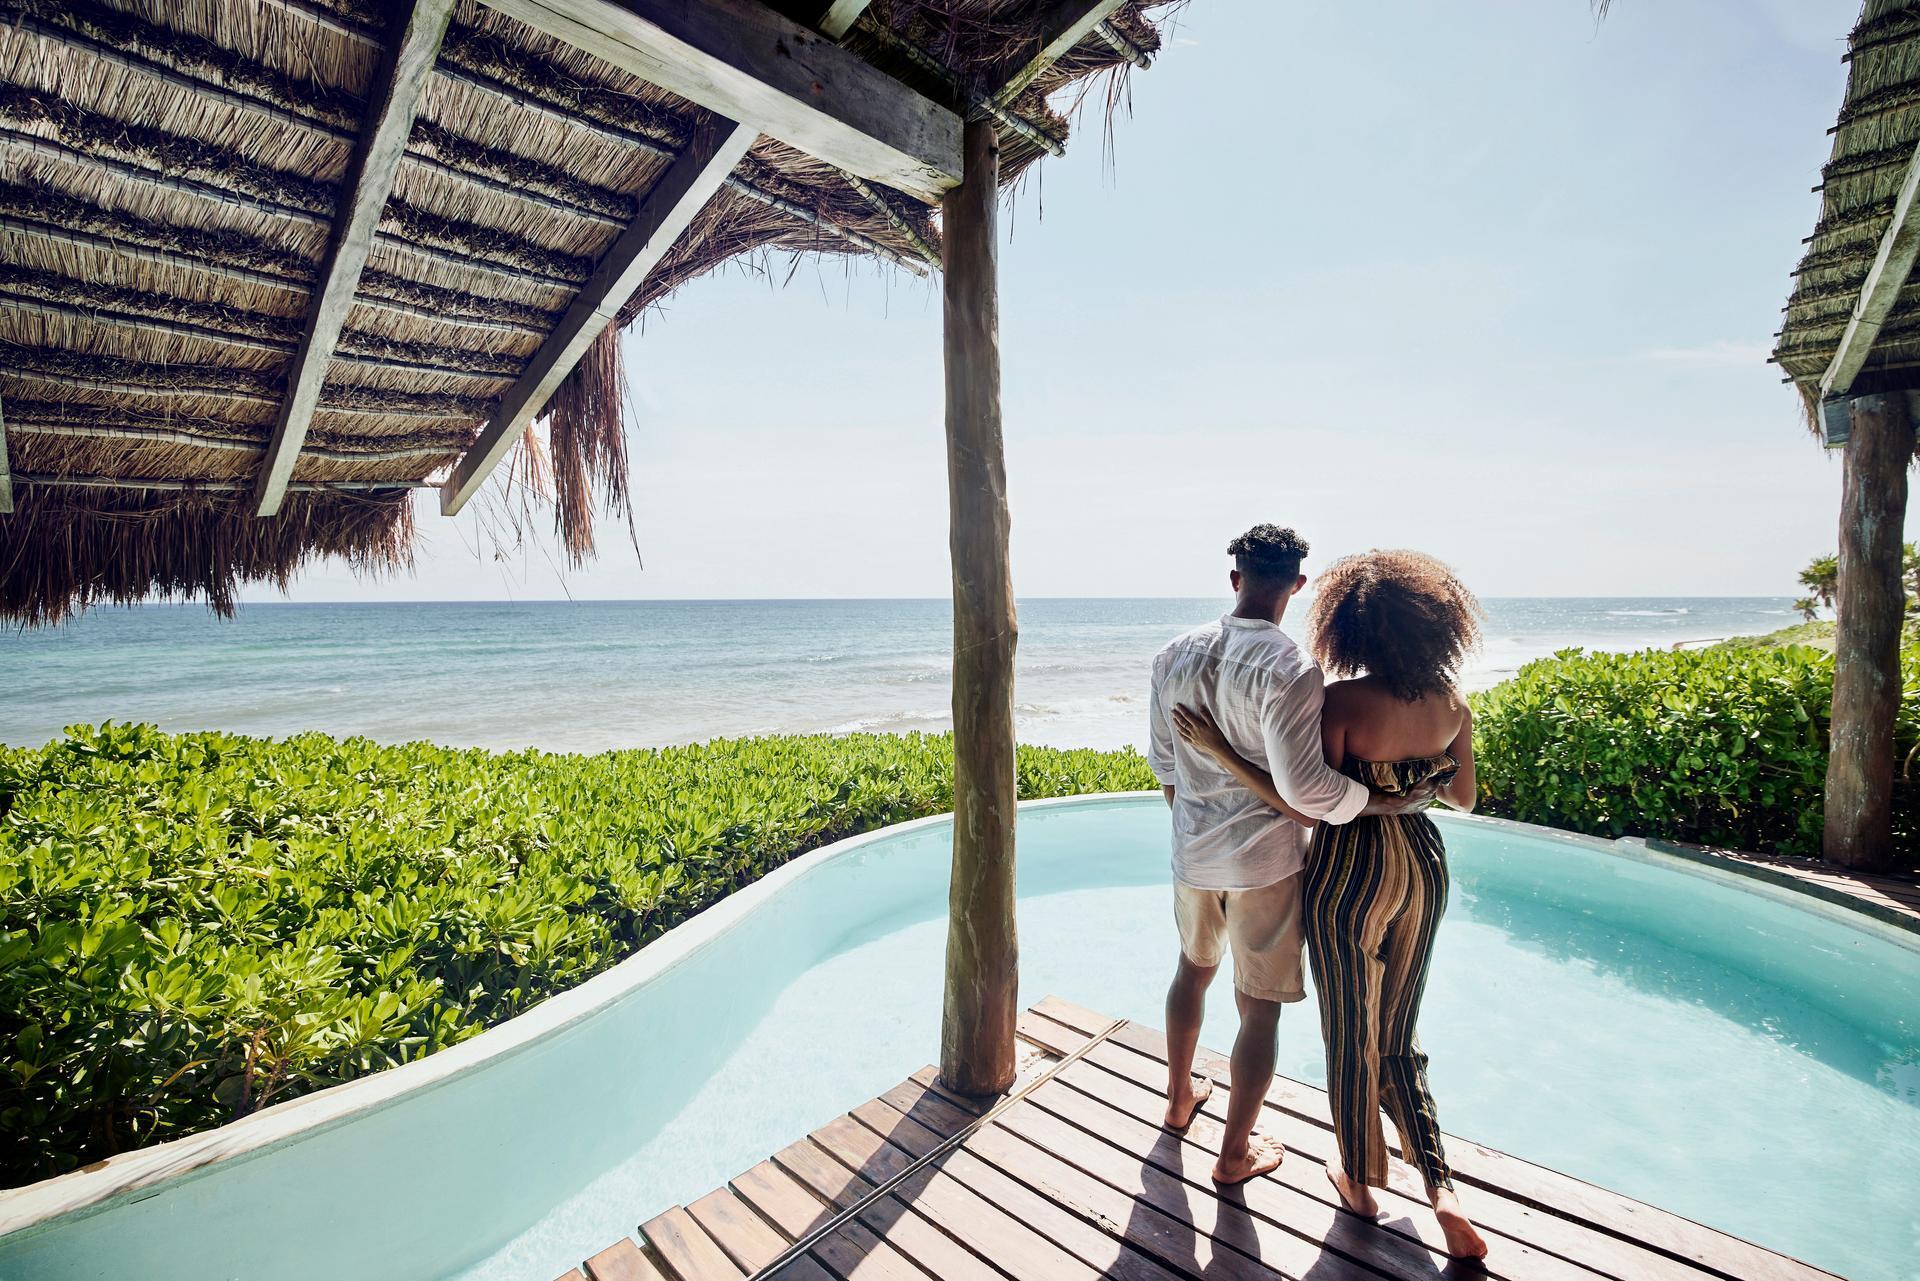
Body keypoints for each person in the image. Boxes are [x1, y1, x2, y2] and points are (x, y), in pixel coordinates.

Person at [1173, 547, 1489, 1259]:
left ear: (1354, 629)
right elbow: (1463, 797)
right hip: (1424, 865)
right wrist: (1415, 786)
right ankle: (1442, 1188)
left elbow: (1310, 805)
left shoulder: (1344, 702)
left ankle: (1359, 1174)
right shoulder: (1452, 703)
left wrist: (1223, 751)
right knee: (1400, 1033)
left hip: (1352, 872)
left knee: (1353, 1029)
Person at [1147, 526, 1433, 1186]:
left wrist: (1196, 828)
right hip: (1264, 866)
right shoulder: (1292, 669)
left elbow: (1165, 765)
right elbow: (1308, 790)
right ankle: (1232, 1153)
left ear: (1235, 578)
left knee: (1191, 970)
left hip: (1192, 852)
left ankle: (1176, 1099)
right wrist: (1382, 800)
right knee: (1259, 1006)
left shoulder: (1171, 656)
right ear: (1296, 586)